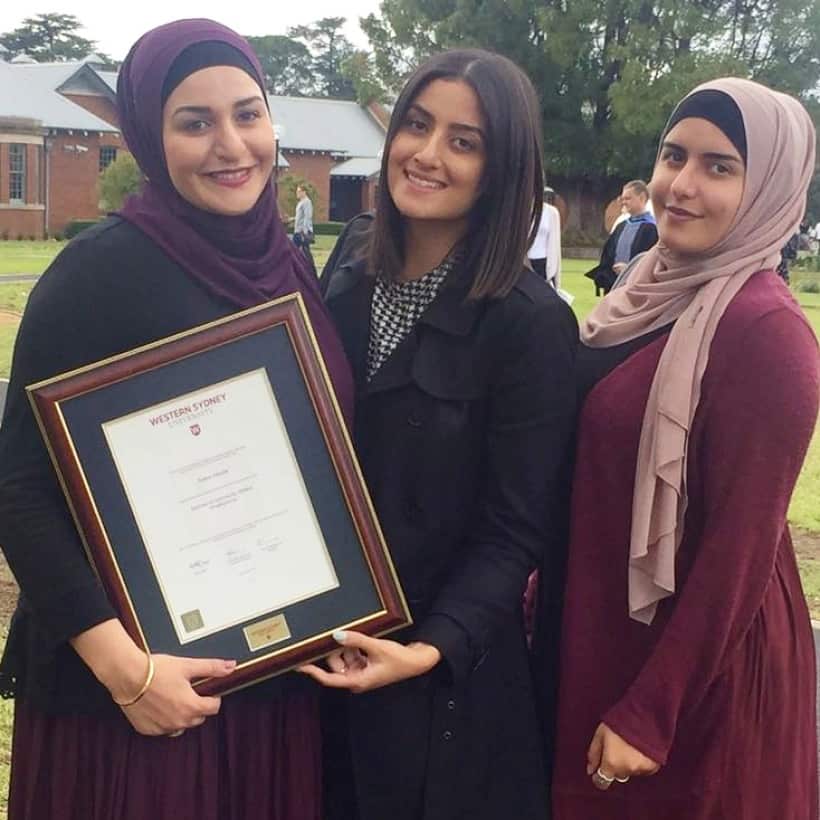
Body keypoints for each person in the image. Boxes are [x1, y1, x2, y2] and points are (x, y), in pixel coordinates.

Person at [0, 19, 353, 820]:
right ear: (149, 139)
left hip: (272, 674)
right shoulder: (99, 273)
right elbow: (18, 488)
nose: (231, 145)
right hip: (138, 696)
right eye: (194, 122)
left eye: (247, 113)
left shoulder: (289, 265)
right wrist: (130, 673)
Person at [302, 48, 578, 820]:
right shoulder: (350, 268)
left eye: (465, 141)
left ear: (504, 167)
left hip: (444, 688)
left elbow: (516, 526)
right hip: (317, 652)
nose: (427, 154)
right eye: (417, 126)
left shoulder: (530, 325)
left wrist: (429, 648)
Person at [542, 77, 818, 820]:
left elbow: (741, 550)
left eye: (720, 167)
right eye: (673, 156)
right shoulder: (643, 285)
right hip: (597, 625)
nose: (682, 186)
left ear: (770, 189)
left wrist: (652, 711)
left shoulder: (768, 334)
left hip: (694, 675)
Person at [586, 180, 658, 295]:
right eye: (623, 198)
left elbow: (653, 261)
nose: (624, 202)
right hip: (614, 285)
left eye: (628, 198)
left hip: (638, 288)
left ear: (642, 198)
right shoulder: (621, 225)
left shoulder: (652, 229)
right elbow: (608, 254)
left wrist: (629, 269)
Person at [527, 186, 562, 288]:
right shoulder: (520, 211)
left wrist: (557, 282)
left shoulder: (551, 213)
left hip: (543, 264)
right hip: (525, 263)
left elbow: (556, 247)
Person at [292, 184, 315, 269]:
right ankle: (307, 268)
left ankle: (306, 268)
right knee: (304, 251)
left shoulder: (307, 202)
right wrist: (291, 219)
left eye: (299, 191)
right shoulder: (300, 203)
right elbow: (299, 217)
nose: (297, 193)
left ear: (304, 192)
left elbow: (307, 217)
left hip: (301, 232)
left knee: (297, 251)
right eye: (297, 191)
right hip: (297, 231)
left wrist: (304, 232)